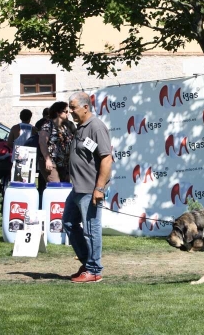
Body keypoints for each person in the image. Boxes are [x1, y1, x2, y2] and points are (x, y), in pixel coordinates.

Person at [63, 92, 112, 283]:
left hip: (90, 190)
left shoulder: (96, 127)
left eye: (73, 108)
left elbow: (107, 159)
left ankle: (94, 270)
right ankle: (87, 262)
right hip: (77, 189)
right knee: (68, 222)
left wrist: (99, 189)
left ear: (85, 107)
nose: (70, 112)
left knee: (91, 229)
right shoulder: (80, 127)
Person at [39, 101, 75, 184]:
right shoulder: (48, 125)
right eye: (65, 112)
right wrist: (47, 160)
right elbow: (42, 142)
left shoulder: (66, 126)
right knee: (56, 187)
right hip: (52, 163)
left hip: (64, 164)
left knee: (65, 189)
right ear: (58, 113)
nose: (68, 114)